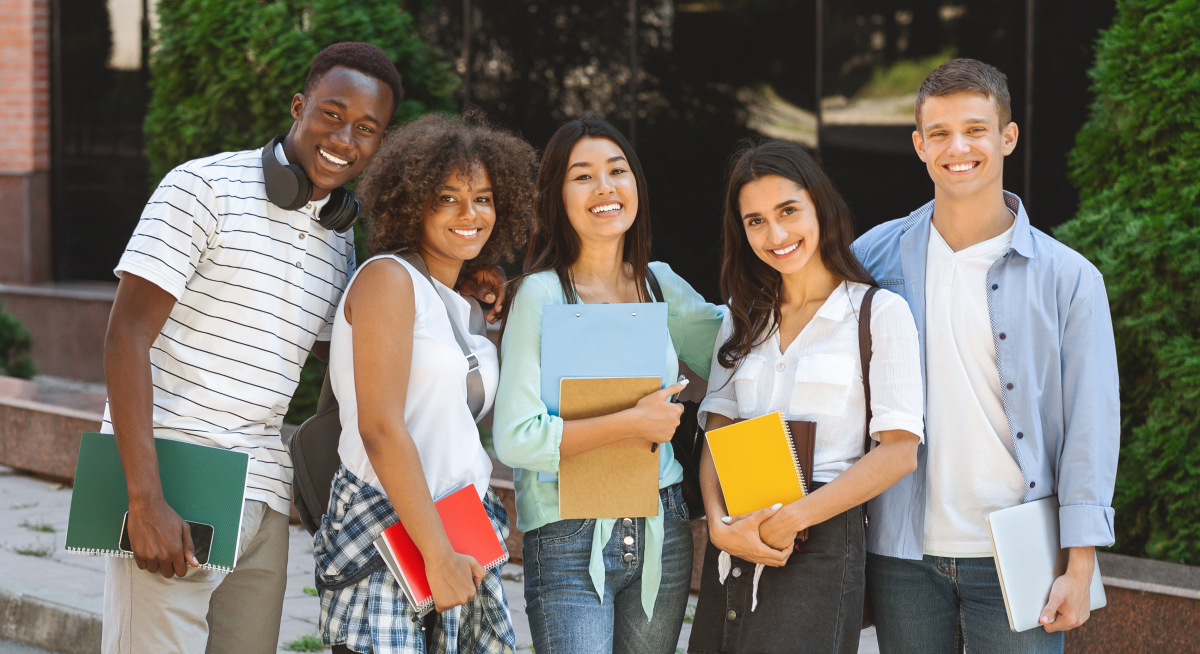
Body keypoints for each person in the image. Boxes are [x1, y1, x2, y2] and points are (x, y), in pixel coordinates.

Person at [100, 42, 400, 654]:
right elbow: (124, 336)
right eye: (332, 114)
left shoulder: (336, 239)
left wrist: (458, 291)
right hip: (175, 474)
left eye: (367, 128)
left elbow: (350, 356)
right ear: (299, 105)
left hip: (262, 489)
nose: (345, 138)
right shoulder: (201, 187)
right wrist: (144, 499)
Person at [852, 59, 1120, 654]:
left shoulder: (1070, 278)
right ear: (919, 146)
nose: (959, 148)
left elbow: (1091, 430)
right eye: (940, 134)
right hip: (903, 553)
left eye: (976, 129)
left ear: (1008, 136)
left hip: (1022, 552)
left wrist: (1080, 566)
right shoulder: (873, 255)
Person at [492, 115, 723, 654]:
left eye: (617, 170)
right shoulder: (541, 296)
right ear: (557, 195)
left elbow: (739, 347)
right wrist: (635, 423)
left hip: (660, 528)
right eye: (583, 175)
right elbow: (516, 438)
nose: (605, 187)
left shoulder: (658, 284)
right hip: (568, 532)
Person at [686, 140, 923, 654]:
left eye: (788, 211)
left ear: (821, 205)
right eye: (755, 221)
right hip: (736, 531)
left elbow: (900, 451)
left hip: (820, 538)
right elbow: (718, 430)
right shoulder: (741, 315)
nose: (776, 235)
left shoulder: (877, 313)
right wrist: (719, 527)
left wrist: (794, 518)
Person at [313, 112, 537, 654]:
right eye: (448, 198)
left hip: (462, 529)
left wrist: (484, 305)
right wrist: (436, 554)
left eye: (483, 198)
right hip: (394, 532)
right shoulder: (388, 279)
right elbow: (381, 429)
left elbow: (454, 420)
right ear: (412, 202)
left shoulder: (461, 303)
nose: (470, 213)